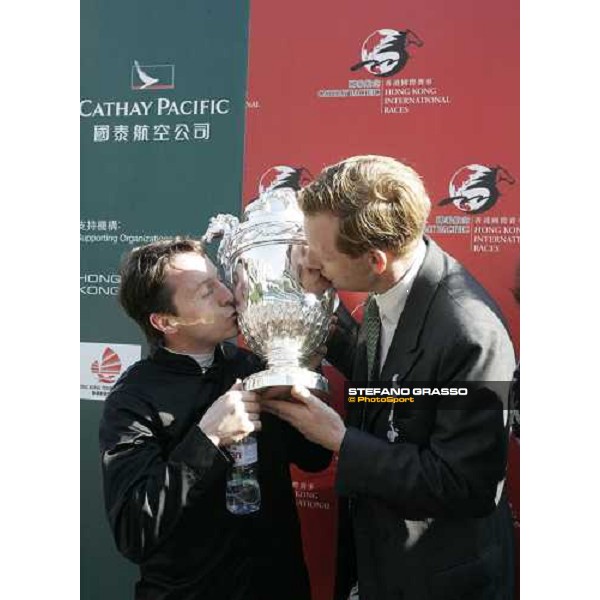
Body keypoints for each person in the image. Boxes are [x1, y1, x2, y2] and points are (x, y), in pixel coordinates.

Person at [262, 155, 516, 600]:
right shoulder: (397, 286)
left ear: (375, 259)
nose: (312, 263)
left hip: (439, 578)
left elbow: (465, 485)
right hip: (379, 561)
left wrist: (341, 440)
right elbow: (391, 373)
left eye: (323, 256)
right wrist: (329, 316)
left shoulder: (470, 333)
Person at [99, 238, 332, 600]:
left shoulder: (254, 366)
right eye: (207, 292)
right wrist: (206, 440)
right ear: (165, 320)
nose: (228, 295)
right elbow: (134, 531)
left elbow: (314, 459)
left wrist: (302, 388)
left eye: (221, 281)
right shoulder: (132, 400)